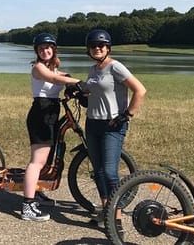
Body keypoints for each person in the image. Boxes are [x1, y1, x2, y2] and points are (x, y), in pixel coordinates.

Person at [83, 29, 146, 223]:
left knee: (110, 172)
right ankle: (105, 210)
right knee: (98, 171)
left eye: (101, 45)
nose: (97, 48)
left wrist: (127, 114)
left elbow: (140, 90)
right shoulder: (93, 69)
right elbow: (91, 91)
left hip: (112, 125)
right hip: (92, 123)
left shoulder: (115, 67)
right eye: (93, 46)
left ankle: (115, 217)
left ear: (108, 48)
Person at [22, 32, 84, 221]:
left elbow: (60, 76)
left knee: (47, 158)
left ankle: (37, 190)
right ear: (37, 52)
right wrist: (80, 82)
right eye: (41, 49)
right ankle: (27, 206)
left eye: (48, 47)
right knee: (37, 161)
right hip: (41, 114)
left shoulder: (53, 67)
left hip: (50, 111)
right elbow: (55, 80)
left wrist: (73, 82)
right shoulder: (39, 68)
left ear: (53, 49)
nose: (45, 51)